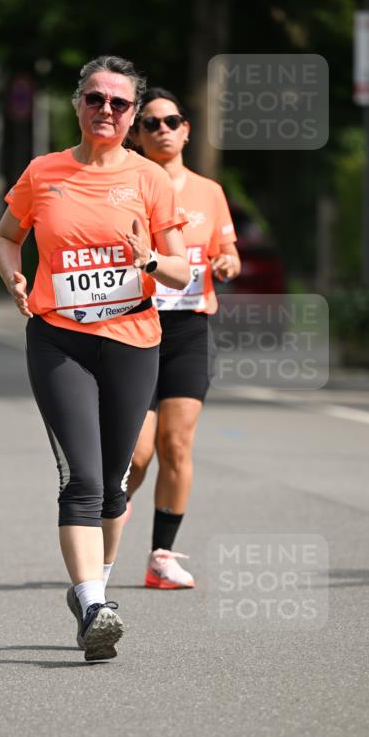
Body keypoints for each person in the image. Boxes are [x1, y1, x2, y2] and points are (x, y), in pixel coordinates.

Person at [0, 56, 190, 662]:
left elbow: (180, 272)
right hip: (60, 338)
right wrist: (13, 278)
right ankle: (93, 602)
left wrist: (148, 260)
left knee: (113, 481)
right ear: (78, 103)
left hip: (133, 341)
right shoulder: (43, 171)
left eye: (120, 104)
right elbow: (7, 236)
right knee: (79, 478)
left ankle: (95, 594)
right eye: (95, 99)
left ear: (132, 116)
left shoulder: (150, 179)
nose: (106, 111)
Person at [126, 88, 241, 588]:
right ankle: (113, 503)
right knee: (138, 454)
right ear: (137, 135)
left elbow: (228, 251)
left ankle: (162, 557)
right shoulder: (127, 187)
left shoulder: (209, 191)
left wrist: (227, 262)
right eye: (151, 123)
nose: (163, 129)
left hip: (190, 327)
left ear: (187, 128)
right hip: (136, 324)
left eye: (171, 120)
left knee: (176, 444)